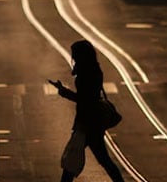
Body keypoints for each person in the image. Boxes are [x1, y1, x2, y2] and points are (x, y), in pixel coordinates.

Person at [48, 40, 125, 182]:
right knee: (93, 158)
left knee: (74, 157)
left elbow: (84, 99)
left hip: (88, 122)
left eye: (75, 54)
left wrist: (64, 92)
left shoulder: (88, 73)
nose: (73, 57)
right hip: (90, 121)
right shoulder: (91, 69)